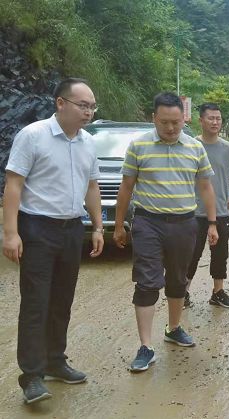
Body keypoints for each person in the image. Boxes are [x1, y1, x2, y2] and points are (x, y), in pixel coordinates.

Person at [3, 78, 104, 403]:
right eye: (83, 105)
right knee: (36, 303)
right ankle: (31, 375)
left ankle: (55, 361)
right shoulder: (33, 136)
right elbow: (14, 185)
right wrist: (11, 232)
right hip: (37, 229)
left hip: (72, 229)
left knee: (62, 300)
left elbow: (92, 187)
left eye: (91, 106)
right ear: (60, 103)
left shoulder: (88, 142)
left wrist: (99, 227)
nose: (88, 112)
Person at [114, 92, 219, 373]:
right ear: (154, 119)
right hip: (148, 222)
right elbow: (126, 187)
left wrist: (211, 222)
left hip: (185, 223)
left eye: (176, 122)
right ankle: (146, 346)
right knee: (147, 281)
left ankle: (174, 328)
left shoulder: (195, 148)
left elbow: (206, 188)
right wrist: (118, 225)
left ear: (184, 119)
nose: (171, 128)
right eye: (164, 123)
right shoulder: (139, 146)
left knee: (178, 278)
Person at [184, 103, 229, 309]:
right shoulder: (190, 146)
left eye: (218, 119)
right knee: (190, 255)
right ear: (201, 120)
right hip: (194, 212)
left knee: (220, 255)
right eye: (211, 118)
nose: (215, 122)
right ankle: (183, 293)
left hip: (222, 211)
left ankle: (218, 292)